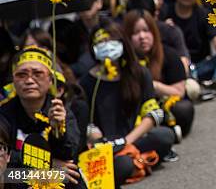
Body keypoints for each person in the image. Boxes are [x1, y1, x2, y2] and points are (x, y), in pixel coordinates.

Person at [79, 22, 175, 186]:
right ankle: (132, 161)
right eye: (100, 42)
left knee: (165, 135)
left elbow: (153, 114)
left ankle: (134, 156)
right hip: (104, 146)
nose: (107, 46)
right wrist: (95, 135)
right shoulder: (87, 82)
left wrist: (127, 140)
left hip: (132, 138)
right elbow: (84, 122)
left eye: (112, 40)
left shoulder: (138, 73)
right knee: (123, 165)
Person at [0, 46, 81, 187]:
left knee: (72, 176)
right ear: (13, 80)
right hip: (14, 176)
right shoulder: (4, 113)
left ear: (50, 79)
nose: (29, 80)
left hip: (56, 174)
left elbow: (70, 154)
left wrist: (59, 131)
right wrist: (46, 163)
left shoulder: (59, 110)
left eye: (37, 74)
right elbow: (5, 159)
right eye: (22, 75)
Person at [124, 10, 194, 138]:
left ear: (154, 32)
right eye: (135, 33)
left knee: (184, 109)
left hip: (162, 105)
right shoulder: (122, 61)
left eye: (146, 31)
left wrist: (151, 85)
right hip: (134, 109)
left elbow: (179, 92)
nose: (142, 37)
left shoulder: (169, 54)